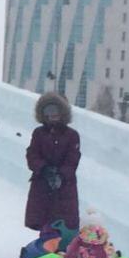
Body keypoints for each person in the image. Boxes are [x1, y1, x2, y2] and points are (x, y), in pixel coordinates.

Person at [24, 92, 80, 231]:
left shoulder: (72, 135)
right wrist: (44, 169)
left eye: (55, 111)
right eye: (48, 111)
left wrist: (61, 175)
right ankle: (45, 247)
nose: (52, 115)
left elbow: (72, 160)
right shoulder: (39, 133)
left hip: (65, 187)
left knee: (63, 222)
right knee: (44, 221)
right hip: (42, 184)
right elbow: (32, 155)